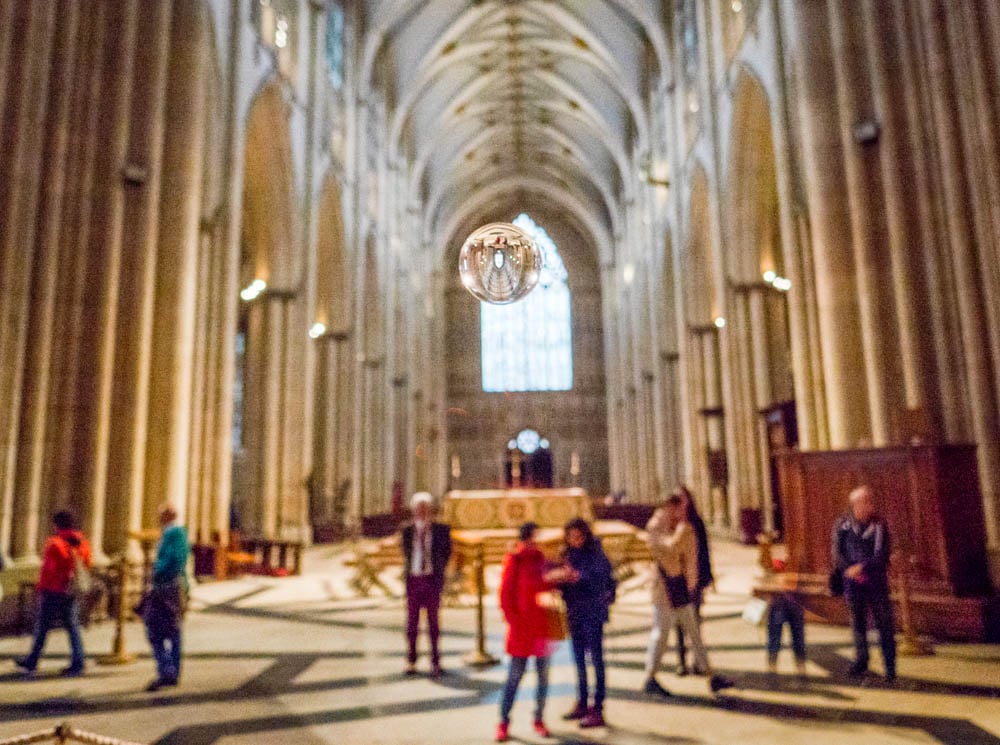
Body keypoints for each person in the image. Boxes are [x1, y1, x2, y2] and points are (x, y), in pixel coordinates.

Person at [642, 494, 733, 696]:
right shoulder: (656, 526)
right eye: (679, 509)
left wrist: (695, 584)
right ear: (669, 507)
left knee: (694, 633)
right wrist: (682, 533)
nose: (683, 514)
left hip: (682, 587)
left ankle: (710, 675)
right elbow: (668, 549)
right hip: (665, 589)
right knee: (661, 635)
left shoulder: (684, 527)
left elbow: (692, 556)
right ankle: (650, 677)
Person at [553, 517, 615, 728]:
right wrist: (560, 580)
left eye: (578, 536)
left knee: (596, 660)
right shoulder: (568, 554)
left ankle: (597, 708)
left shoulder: (596, 554)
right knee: (579, 660)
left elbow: (602, 579)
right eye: (571, 537)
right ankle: (582, 701)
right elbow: (565, 581)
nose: (575, 540)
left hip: (593, 612)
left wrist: (579, 576)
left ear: (586, 535)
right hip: (575, 612)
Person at [496, 522, 554, 743]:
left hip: (540, 627)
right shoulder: (515, 560)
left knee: (543, 678)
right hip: (521, 629)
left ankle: (539, 719)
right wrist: (514, 621)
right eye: (533, 538)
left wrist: (556, 579)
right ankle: (503, 721)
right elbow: (505, 594)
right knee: (514, 678)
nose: (535, 542)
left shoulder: (541, 559)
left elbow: (544, 586)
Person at [832, 485, 896, 683]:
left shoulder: (879, 525)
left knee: (883, 623)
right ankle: (861, 660)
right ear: (856, 505)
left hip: (875, 582)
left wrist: (862, 568)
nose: (870, 505)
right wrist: (849, 570)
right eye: (865, 501)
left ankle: (889, 666)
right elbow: (837, 552)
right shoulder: (843, 524)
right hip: (852, 582)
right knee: (858, 623)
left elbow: (882, 554)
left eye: (870, 501)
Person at [16, 510, 92, 677]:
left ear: (57, 525)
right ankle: (78, 662)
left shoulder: (55, 543)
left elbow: (49, 570)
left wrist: (41, 588)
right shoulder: (82, 543)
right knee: (73, 627)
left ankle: (32, 661)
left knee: (42, 627)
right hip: (71, 591)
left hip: (53, 591)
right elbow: (87, 564)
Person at [400, 491, 452, 678]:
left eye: (425, 508)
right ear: (413, 510)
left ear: (430, 510)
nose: (421, 512)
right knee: (412, 623)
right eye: (418, 508)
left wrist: (438, 570)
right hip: (414, 580)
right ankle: (411, 659)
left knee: (433, 623)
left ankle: (435, 661)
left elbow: (447, 552)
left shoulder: (441, 530)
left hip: (431, 580)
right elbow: (405, 552)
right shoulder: (407, 530)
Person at [143, 503, 191, 691]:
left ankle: (168, 670)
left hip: (168, 588)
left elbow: (175, 560)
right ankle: (170, 670)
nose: (158, 518)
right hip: (168, 586)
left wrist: (157, 571)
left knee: (160, 630)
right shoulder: (170, 533)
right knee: (169, 629)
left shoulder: (175, 533)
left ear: (167, 516)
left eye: (161, 515)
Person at [674, 485, 713, 676]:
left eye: (683, 498)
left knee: (695, 622)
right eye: (676, 499)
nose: (680, 502)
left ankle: (698, 661)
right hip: (676, 580)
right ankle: (681, 662)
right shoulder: (670, 525)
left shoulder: (696, 522)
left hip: (695, 579)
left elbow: (704, 552)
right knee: (679, 623)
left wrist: (707, 578)